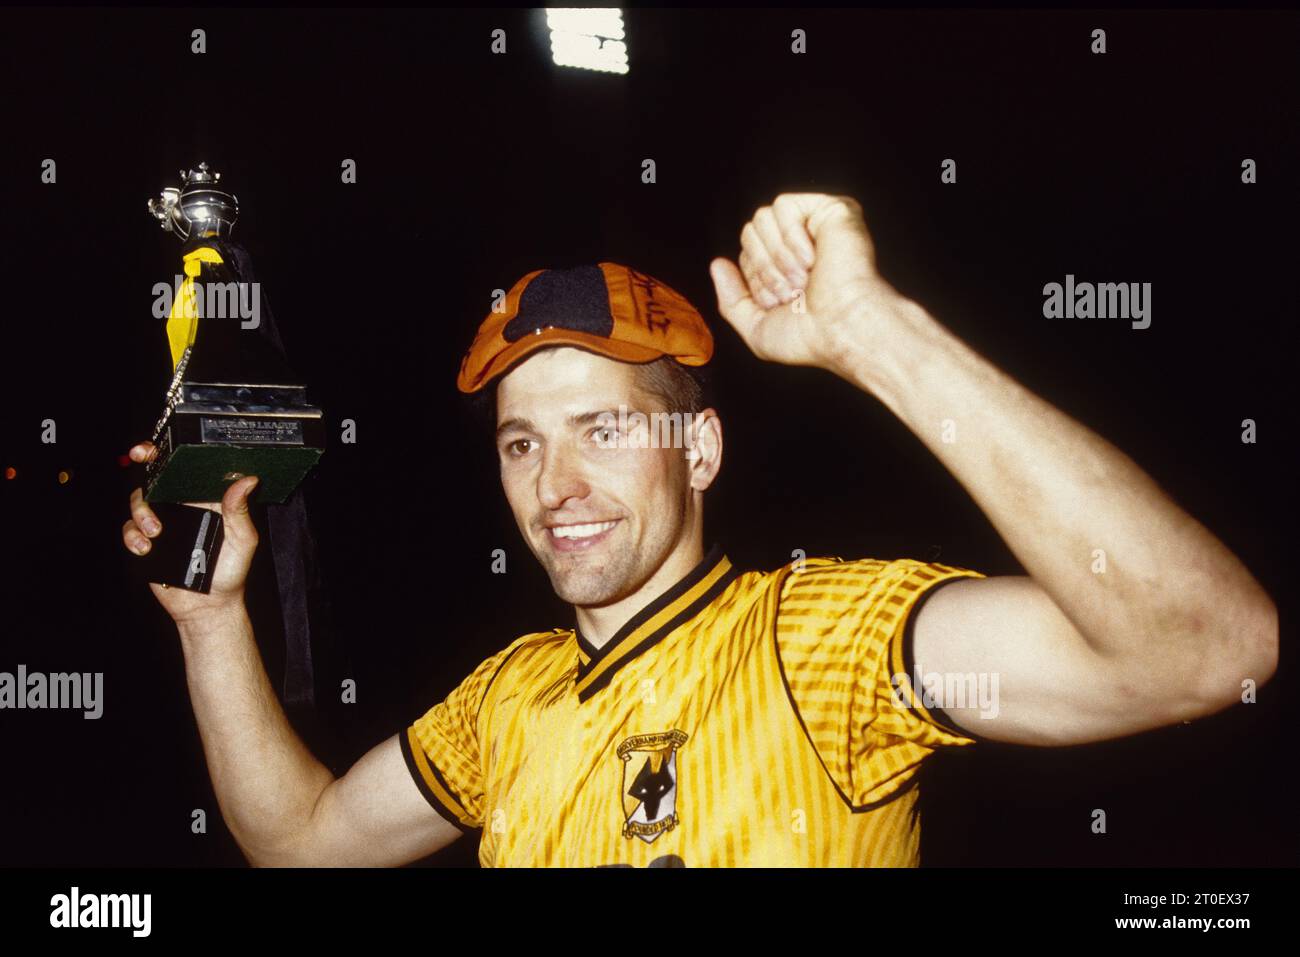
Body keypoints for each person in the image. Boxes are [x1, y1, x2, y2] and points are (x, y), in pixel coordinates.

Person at [122, 193, 1277, 867]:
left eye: (606, 431)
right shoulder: (503, 701)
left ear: (701, 451)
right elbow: (301, 841)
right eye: (523, 443)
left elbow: (1204, 651)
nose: (556, 482)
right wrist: (211, 618)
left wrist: (876, 338)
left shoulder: (820, 642)